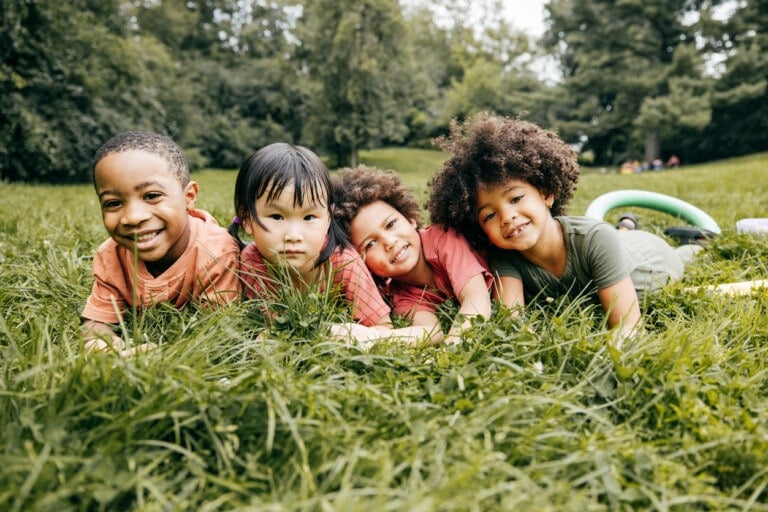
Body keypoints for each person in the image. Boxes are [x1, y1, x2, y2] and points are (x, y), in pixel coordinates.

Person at [427, 112, 701, 346]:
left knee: (681, 255)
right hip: (609, 242)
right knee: (609, 236)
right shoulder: (504, 257)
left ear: (546, 193)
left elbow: (629, 327)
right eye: (489, 215)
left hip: (653, 259)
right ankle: (626, 225)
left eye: (516, 198)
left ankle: (695, 242)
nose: (507, 217)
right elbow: (514, 324)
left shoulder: (596, 239)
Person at [230, 143, 430, 346]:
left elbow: (382, 327)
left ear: (328, 218)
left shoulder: (344, 262)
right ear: (246, 219)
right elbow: (276, 326)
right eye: (276, 216)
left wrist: (347, 335)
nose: (293, 235)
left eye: (309, 217)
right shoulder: (251, 263)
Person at [82, 131, 241, 356]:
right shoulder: (111, 255)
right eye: (114, 203)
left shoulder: (217, 253)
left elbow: (216, 332)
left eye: (151, 196)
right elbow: (96, 322)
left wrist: (161, 356)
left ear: (189, 197)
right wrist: (104, 347)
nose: (133, 217)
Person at [332, 165, 494, 345]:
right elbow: (431, 332)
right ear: (363, 265)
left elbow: (476, 299)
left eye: (391, 224)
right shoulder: (401, 295)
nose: (389, 242)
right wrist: (371, 337)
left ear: (410, 220)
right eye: (370, 244)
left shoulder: (443, 239)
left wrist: (452, 349)